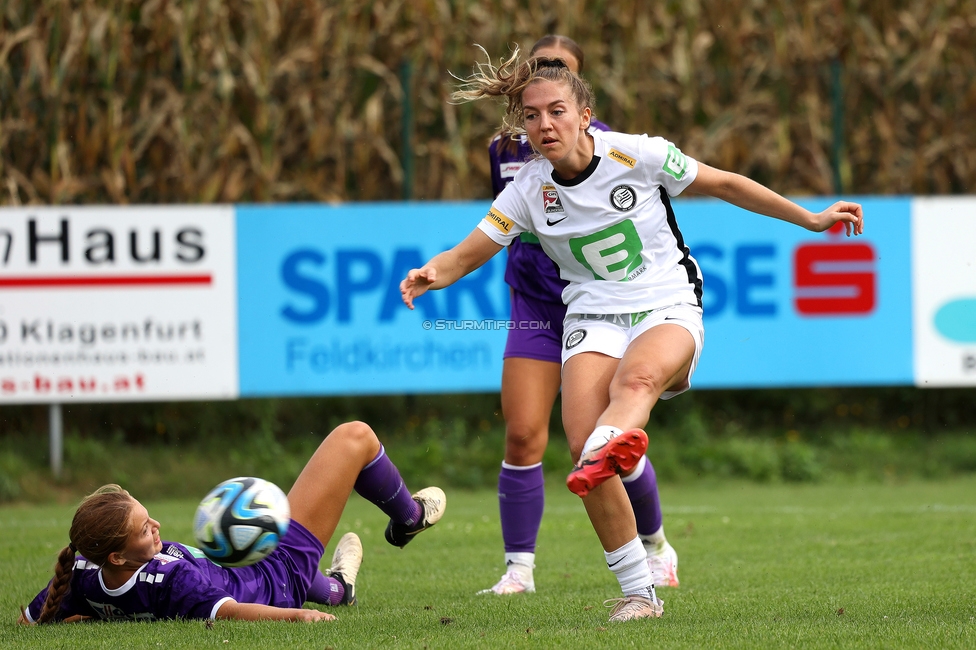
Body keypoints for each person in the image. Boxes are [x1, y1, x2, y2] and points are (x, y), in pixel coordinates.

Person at [401, 51, 863, 622]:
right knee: (581, 453)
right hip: (591, 316)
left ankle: (613, 441)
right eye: (531, 115)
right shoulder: (526, 190)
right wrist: (432, 273)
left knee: (635, 383)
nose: (543, 125)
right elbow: (468, 254)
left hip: (666, 304)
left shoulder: (638, 153)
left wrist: (812, 219)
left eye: (556, 111)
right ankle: (639, 593)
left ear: (585, 115)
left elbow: (725, 183)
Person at [482, 34, 679, 598]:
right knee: (521, 434)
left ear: (579, 90)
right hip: (536, 301)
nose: (543, 86)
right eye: (535, 73)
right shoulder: (506, 148)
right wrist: (443, 268)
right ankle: (519, 570)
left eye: (557, 74)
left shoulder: (613, 147)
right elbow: (505, 223)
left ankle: (656, 543)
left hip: (600, 302)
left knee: (603, 438)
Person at [18, 421, 447, 624]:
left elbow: (31, 621)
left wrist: (95, 616)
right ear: (116, 554)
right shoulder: (172, 579)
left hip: (237, 568)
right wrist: (297, 619)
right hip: (274, 578)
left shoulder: (83, 575)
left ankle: (339, 588)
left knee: (235, 549)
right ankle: (408, 519)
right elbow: (232, 613)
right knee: (355, 438)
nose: (157, 524)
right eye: (145, 527)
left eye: (147, 516)